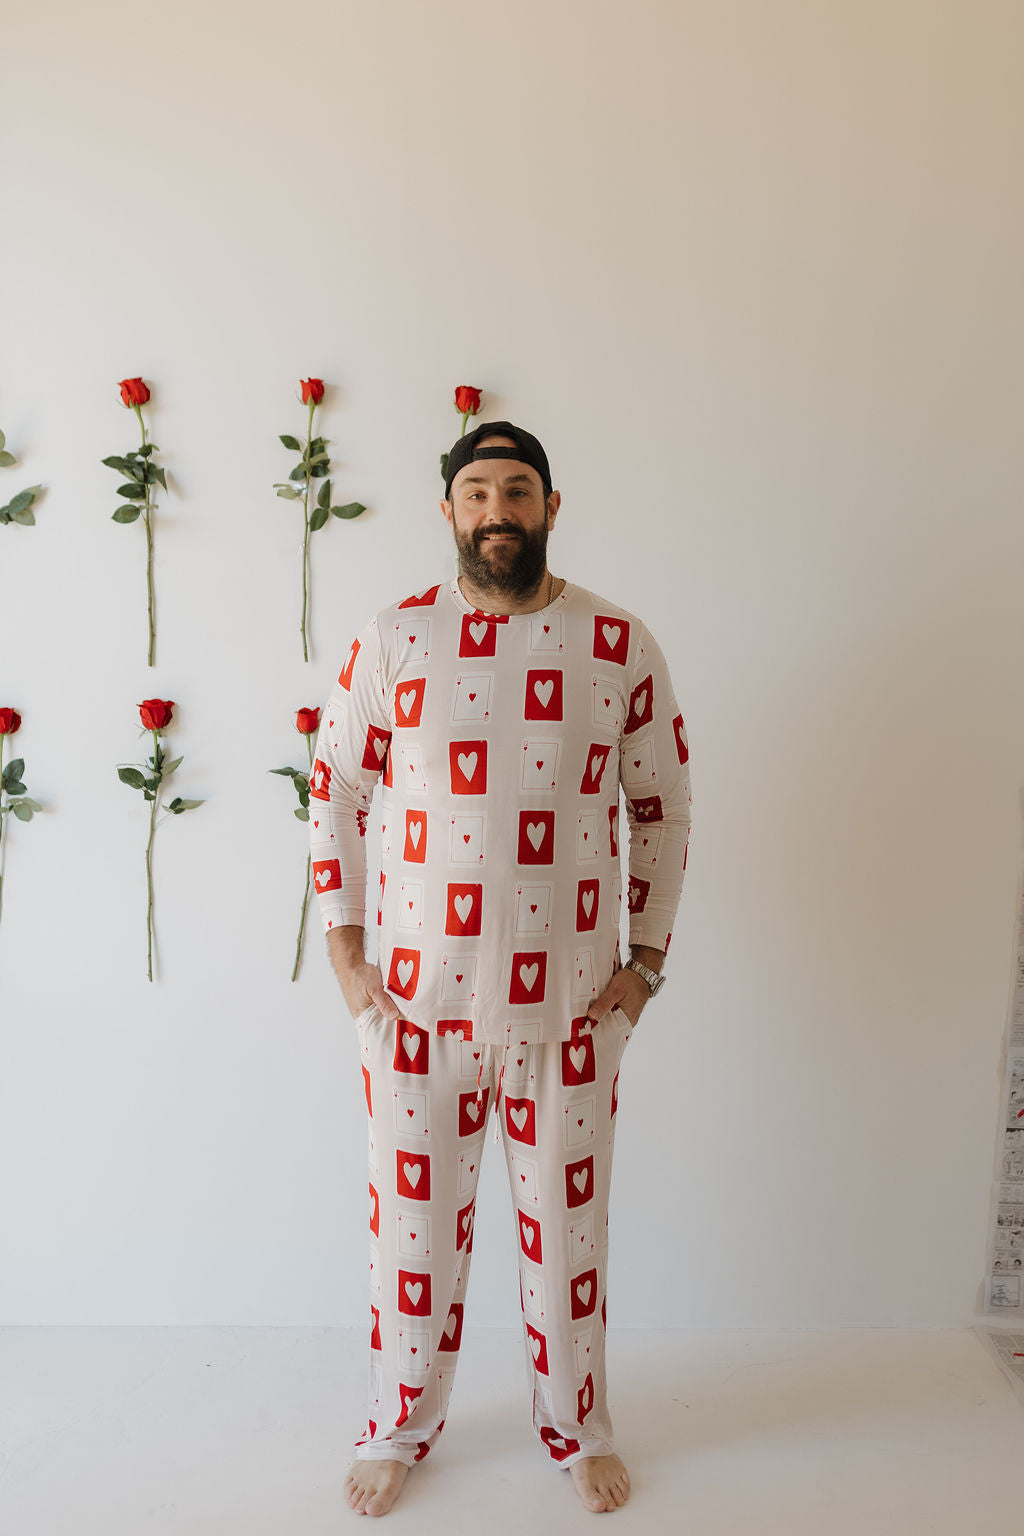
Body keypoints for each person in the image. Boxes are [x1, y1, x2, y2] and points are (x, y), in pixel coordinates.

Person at [309, 421, 692, 1517]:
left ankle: (578, 1432)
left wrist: (645, 964)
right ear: (448, 513)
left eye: (516, 491)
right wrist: (349, 961)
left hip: (571, 1012)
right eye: (475, 493)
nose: (496, 512)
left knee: (569, 1238)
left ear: (551, 507)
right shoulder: (393, 640)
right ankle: (398, 1425)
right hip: (417, 1015)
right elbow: (334, 794)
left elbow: (660, 806)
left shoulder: (616, 643)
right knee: (410, 1244)